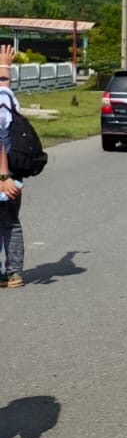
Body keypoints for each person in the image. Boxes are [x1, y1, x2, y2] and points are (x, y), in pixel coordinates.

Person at [0, 45, 22, 286]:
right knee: (10, 222)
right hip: (10, 172)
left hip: (4, 173)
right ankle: (13, 272)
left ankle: (11, 273)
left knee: (8, 221)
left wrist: (3, 177)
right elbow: (5, 86)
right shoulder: (6, 98)